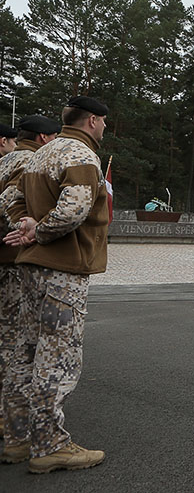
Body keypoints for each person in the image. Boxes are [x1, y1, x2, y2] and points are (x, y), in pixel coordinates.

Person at [2, 97, 110, 473]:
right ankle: (49, 446)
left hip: (31, 269)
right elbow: (74, 208)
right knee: (57, 358)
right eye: (103, 122)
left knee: (25, 353)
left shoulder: (38, 155)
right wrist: (40, 231)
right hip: (61, 269)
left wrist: (24, 225)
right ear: (93, 120)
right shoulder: (80, 153)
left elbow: (9, 198)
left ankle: (16, 439)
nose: (104, 127)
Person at [0, 115, 60, 459]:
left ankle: (10, 421)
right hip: (13, 260)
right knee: (18, 344)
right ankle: (19, 431)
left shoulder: (7, 159)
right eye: (53, 136)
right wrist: (28, 228)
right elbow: (10, 201)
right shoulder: (29, 160)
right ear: (42, 138)